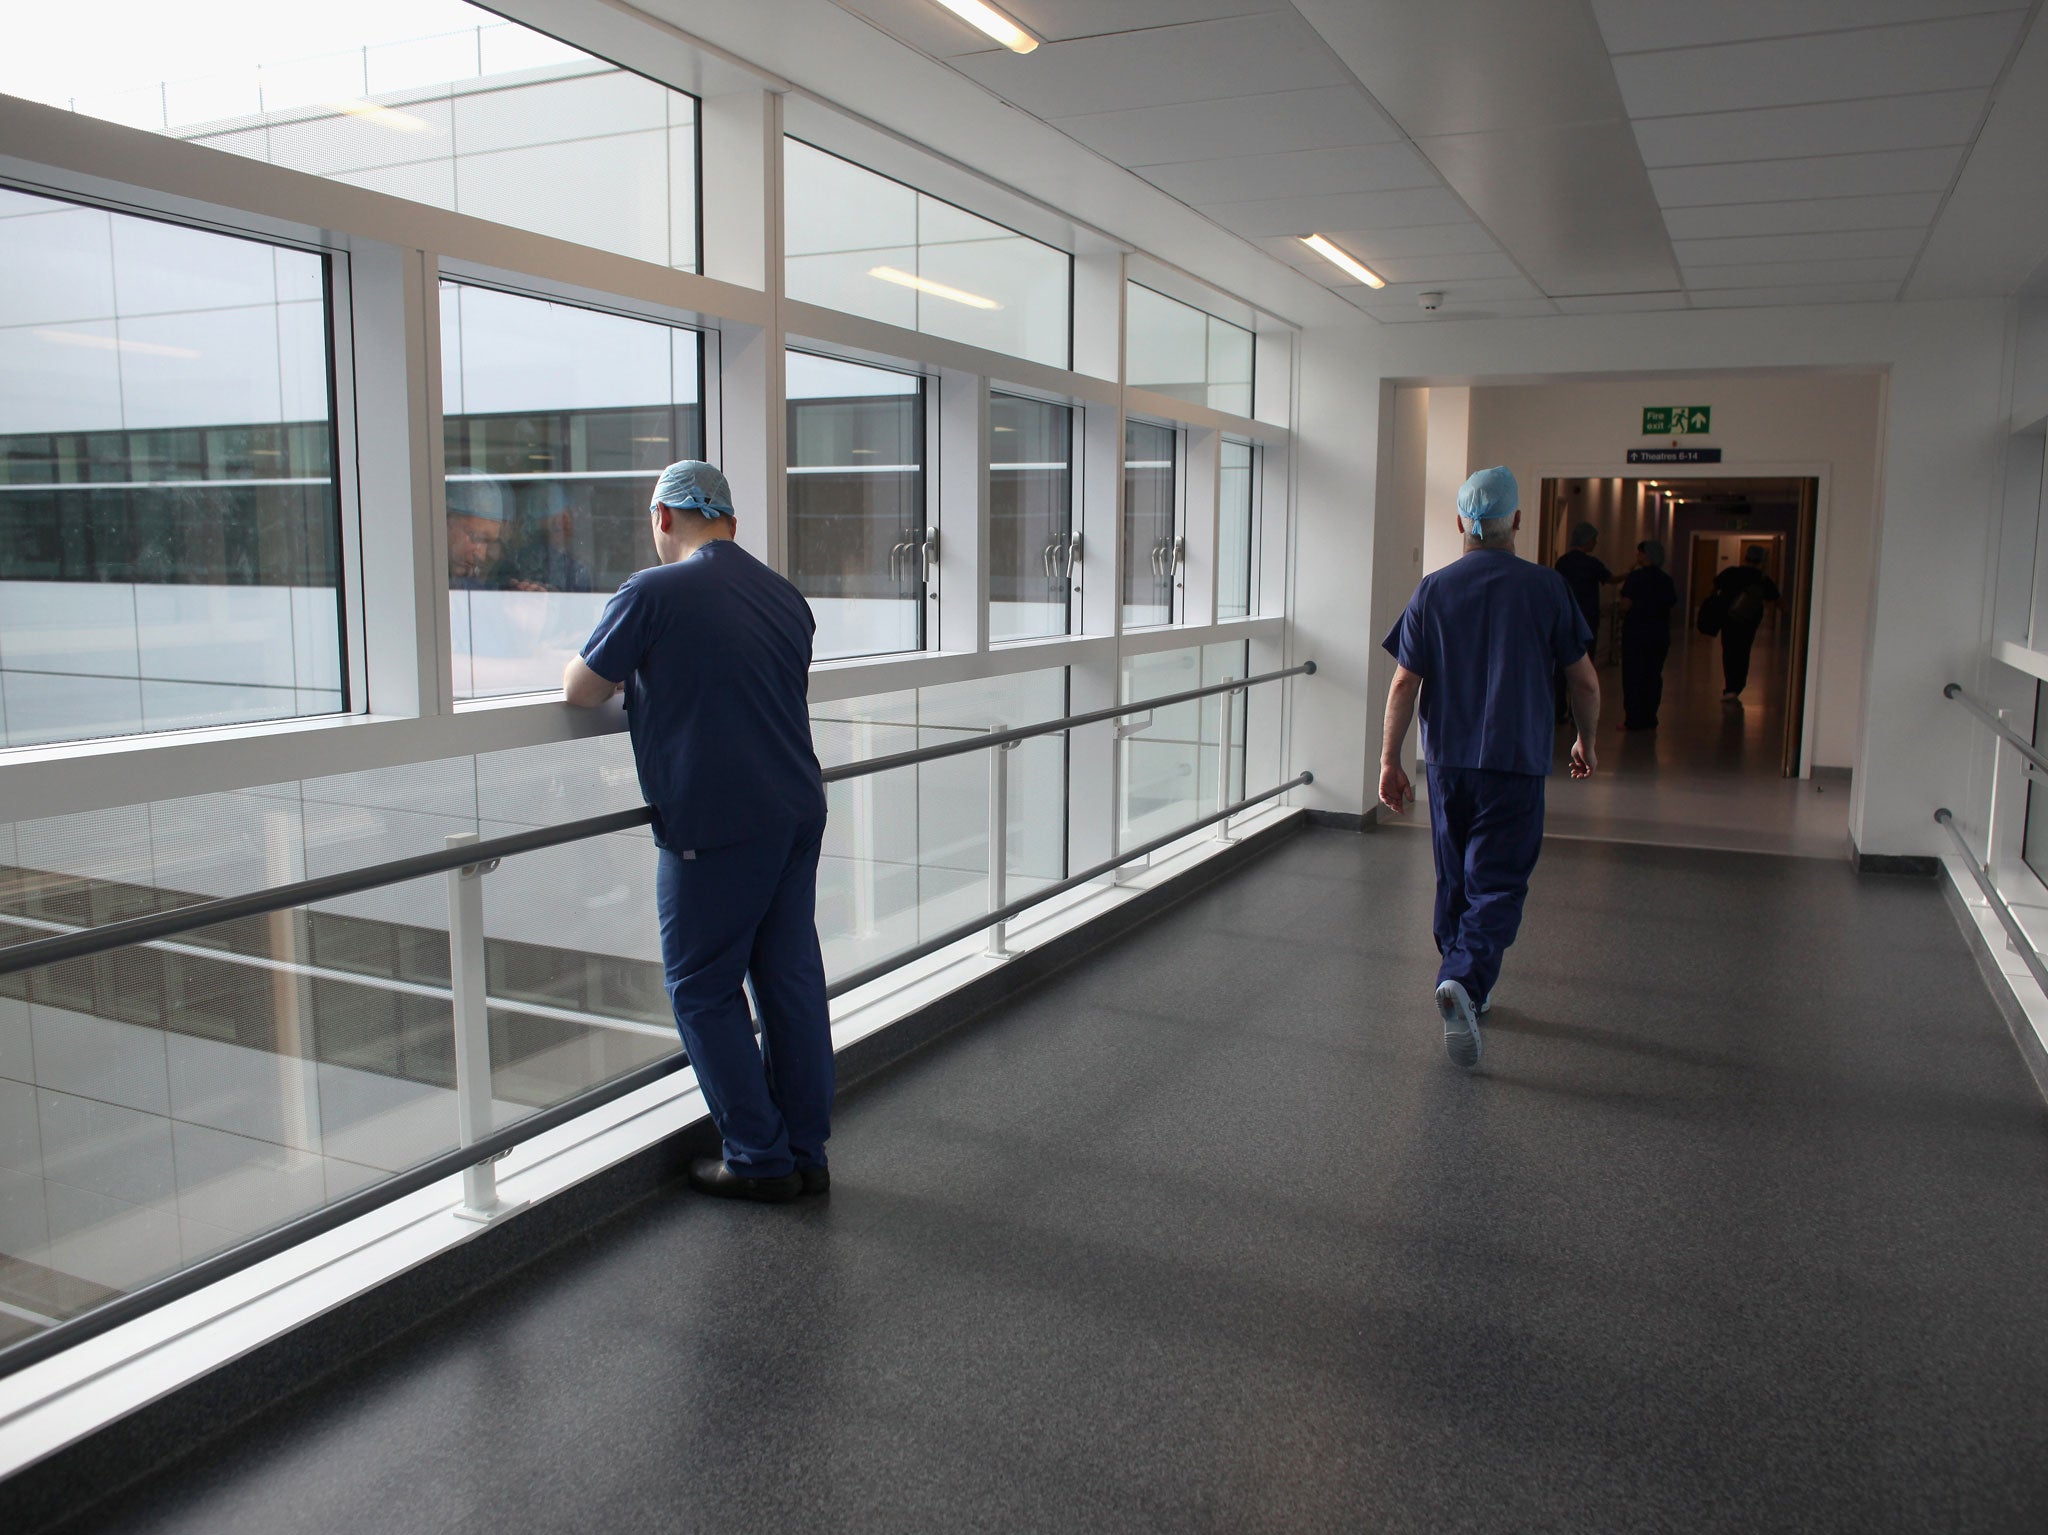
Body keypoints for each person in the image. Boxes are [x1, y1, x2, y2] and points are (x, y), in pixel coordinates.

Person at [563, 461, 832, 1204]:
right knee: (788, 977)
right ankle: (807, 1149)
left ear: (661, 519)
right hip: (797, 806)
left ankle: (758, 1157)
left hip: (718, 819)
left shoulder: (653, 592)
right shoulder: (786, 597)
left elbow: (579, 688)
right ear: (733, 526)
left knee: (702, 987)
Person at [1379, 466, 1600, 1070]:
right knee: (1498, 881)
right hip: (1516, 760)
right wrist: (1586, 740)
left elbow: (1404, 681)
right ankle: (1465, 984)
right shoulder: (1548, 588)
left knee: (1455, 878)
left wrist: (1389, 759)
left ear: (1459, 523)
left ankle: (1460, 978)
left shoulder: (1433, 589)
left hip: (1447, 762)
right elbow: (1582, 677)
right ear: (1518, 522)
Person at [1552, 521, 1615, 719]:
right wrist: (1632, 572)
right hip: (1587, 621)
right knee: (1583, 669)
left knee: (1561, 668)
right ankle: (1576, 713)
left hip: (1563, 620)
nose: (1595, 544)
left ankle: (1558, 708)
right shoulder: (1591, 564)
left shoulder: (1562, 562)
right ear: (1587, 541)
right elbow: (1611, 578)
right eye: (1594, 540)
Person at [1617, 540, 1679, 730]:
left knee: (1633, 676)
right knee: (1653, 676)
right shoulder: (1666, 580)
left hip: (1636, 634)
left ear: (1646, 555)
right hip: (1658, 635)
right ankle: (1649, 717)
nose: (1637, 556)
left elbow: (1625, 605)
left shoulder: (1636, 577)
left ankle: (1633, 719)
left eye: (1640, 553)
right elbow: (1671, 603)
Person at [1713, 545, 1781, 701]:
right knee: (1743, 652)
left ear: (1745, 557)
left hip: (1729, 620)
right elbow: (1776, 599)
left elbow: (1714, 590)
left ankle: (1730, 686)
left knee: (1729, 651)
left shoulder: (1730, 573)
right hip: (1749, 622)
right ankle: (1737, 686)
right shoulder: (1762, 579)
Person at [446, 478, 509, 588]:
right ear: (447, 521)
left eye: (489, 543)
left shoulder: (472, 586)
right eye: (475, 538)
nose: (481, 555)